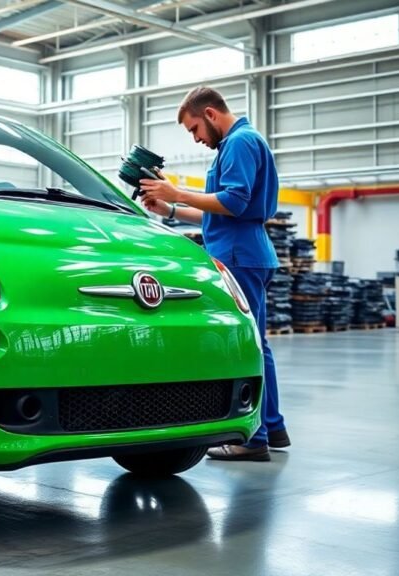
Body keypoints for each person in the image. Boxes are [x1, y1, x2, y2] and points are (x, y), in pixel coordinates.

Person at [138, 86, 289, 462]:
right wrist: (168, 208)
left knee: (247, 345)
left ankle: (253, 440)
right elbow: (218, 211)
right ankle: (272, 426)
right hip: (246, 250)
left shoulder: (239, 143)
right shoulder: (239, 143)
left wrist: (178, 192)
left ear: (209, 114)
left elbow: (234, 203)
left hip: (239, 255)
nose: (196, 139)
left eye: (194, 130)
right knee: (257, 343)